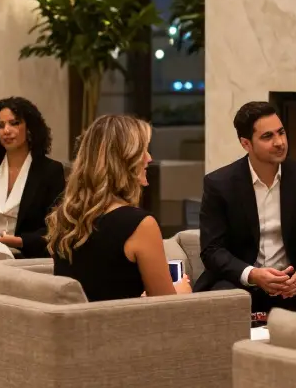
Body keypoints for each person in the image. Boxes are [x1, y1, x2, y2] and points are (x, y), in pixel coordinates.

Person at [196, 101, 296, 317]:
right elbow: (212, 250)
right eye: (267, 137)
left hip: (292, 284)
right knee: (224, 301)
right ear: (246, 144)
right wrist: (253, 275)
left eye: (281, 132)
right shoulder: (219, 184)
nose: (279, 142)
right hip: (241, 283)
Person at [49, 115, 192, 301]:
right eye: (143, 151)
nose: (149, 158)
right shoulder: (139, 224)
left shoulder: (66, 217)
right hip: (125, 328)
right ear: (124, 159)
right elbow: (166, 306)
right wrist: (182, 291)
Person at [0, 98, 66, 259]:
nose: (6, 130)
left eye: (14, 123)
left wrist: (15, 241)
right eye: (0, 125)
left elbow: (54, 230)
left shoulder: (50, 171)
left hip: (24, 254)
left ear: (30, 128)